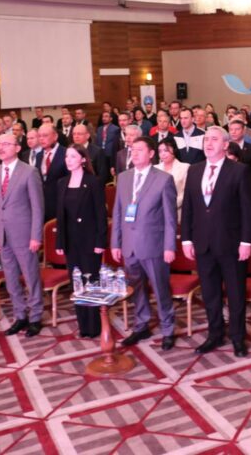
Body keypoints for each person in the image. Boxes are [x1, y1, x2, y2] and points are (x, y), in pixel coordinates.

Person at [182, 126, 251, 357]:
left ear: (225, 145)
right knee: (210, 293)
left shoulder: (239, 171)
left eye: (214, 139)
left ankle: (237, 337)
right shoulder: (194, 170)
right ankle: (215, 334)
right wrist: (186, 239)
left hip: (231, 244)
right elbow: (188, 207)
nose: (209, 143)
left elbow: (247, 210)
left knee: (235, 293)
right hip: (203, 243)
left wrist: (246, 242)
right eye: (206, 139)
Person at [111, 137, 178, 351]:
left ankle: (168, 329)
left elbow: (170, 218)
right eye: (133, 149)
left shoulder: (163, 179)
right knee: (136, 288)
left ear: (151, 154)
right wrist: (115, 243)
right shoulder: (123, 178)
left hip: (154, 245)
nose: (135, 153)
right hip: (129, 245)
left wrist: (169, 247)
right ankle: (141, 325)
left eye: (140, 150)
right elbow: (118, 212)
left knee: (160, 289)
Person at [0, 134, 45, 337]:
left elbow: (37, 207)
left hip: (24, 235)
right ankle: (20, 316)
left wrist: (36, 236)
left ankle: (36, 317)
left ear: (18, 148)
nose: (1, 148)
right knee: (11, 278)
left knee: (31, 276)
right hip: (2, 235)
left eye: (6, 144)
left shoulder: (29, 172)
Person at [55, 145, 107, 338]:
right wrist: (60, 242)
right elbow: (60, 217)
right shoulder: (62, 182)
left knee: (90, 282)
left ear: (83, 159)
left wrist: (100, 241)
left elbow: (101, 214)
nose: (68, 160)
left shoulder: (93, 181)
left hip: (90, 240)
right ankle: (83, 325)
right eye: (67, 157)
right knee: (76, 283)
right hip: (71, 241)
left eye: (73, 156)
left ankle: (94, 326)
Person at [36, 125, 68, 222]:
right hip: (43, 206)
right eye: (39, 136)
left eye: (45, 135)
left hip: (62, 205)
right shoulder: (39, 156)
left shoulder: (66, 153)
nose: (41, 139)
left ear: (55, 136)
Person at [154, 139, 189, 221]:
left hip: (177, 212)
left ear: (174, 150)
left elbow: (186, 193)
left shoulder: (185, 167)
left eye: (166, 150)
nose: (163, 154)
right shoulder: (155, 168)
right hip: (157, 214)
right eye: (160, 151)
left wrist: (169, 206)